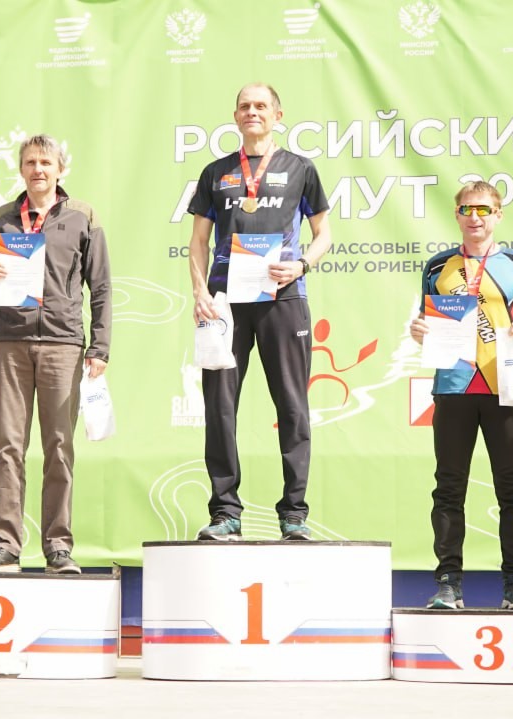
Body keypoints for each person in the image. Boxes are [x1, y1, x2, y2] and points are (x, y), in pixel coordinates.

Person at [187, 82, 334, 541]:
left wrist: (302, 264)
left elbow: (324, 234)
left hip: (282, 298)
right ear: (236, 116)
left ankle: (294, 514)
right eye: (245, 106)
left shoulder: (300, 168)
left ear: (277, 115)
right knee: (220, 406)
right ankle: (225, 513)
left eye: (261, 106)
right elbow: (198, 242)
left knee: (292, 406)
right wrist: (199, 292)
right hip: (225, 302)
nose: (252, 112)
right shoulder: (216, 172)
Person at [0, 134, 112, 573]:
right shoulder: (3, 218)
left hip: (63, 343)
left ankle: (58, 546)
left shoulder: (82, 215)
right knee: (9, 446)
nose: (38, 170)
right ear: (21, 169)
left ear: (60, 169)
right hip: (10, 343)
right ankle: (6, 545)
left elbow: (101, 286)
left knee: (60, 447)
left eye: (46, 163)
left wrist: (100, 346)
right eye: (30, 163)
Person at [409, 181, 513, 610]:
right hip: (453, 387)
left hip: (505, 387)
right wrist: (419, 331)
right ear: (457, 215)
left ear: (498, 215)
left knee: (512, 488)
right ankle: (448, 583)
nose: (475, 217)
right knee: (448, 488)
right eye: (467, 209)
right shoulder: (438, 266)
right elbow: (427, 323)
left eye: (484, 210)